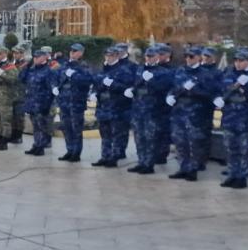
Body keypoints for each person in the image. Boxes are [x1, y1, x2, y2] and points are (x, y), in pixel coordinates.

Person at [217, 47, 248, 188]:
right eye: (236, 60)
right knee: (231, 148)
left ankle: (242, 177)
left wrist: (246, 85)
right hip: (230, 117)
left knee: (245, 150)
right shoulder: (229, 73)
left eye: (241, 60)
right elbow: (221, 89)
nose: (238, 63)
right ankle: (232, 175)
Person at [168, 46, 218, 181]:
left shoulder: (205, 73)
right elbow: (174, 88)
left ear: (199, 57)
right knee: (180, 142)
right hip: (179, 111)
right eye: (186, 56)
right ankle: (183, 168)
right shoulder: (180, 70)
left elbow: (211, 94)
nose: (188, 59)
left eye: (191, 57)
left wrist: (194, 91)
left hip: (196, 113)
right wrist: (170, 96)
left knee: (195, 143)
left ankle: (193, 169)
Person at [128, 46, 175, 175]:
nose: (149, 58)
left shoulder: (163, 72)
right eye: (147, 56)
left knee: (150, 138)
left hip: (153, 110)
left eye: (152, 56)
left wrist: (151, 81)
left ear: (157, 57)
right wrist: (132, 90)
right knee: (139, 138)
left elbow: (164, 88)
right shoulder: (140, 69)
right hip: (138, 109)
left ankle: (149, 164)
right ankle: (141, 162)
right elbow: (136, 85)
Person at [93, 44, 138, 167]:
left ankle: (115, 157)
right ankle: (105, 156)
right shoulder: (103, 70)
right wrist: (95, 92)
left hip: (116, 107)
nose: (109, 58)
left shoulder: (123, 70)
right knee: (105, 134)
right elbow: (96, 84)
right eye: (107, 55)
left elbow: (127, 88)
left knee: (117, 134)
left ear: (117, 56)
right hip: (103, 107)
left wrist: (113, 84)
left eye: (112, 55)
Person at [54, 43, 93, 161]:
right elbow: (56, 78)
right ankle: (69, 150)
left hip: (76, 102)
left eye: (75, 51)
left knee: (76, 128)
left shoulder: (84, 66)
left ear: (81, 53)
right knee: (66, 127)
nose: (72, 52)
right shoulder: (64, 65)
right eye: (71, 50)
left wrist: (74, 75)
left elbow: (87, 81)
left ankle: (76, 152)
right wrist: (55, 87)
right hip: (64, 101)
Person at [20, 47, 57, 156]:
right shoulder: (32, 70)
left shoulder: (48, 71)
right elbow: (22, 79)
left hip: (42, 104)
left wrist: (47, 105)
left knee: (41, 126)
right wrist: (26, 67)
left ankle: (40, 147)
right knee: (35, 126)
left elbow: (51, 90)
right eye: (34, 57)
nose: (35, 59)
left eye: (37, 57)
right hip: (32, 103)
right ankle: (36, 145)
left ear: (44, 57)